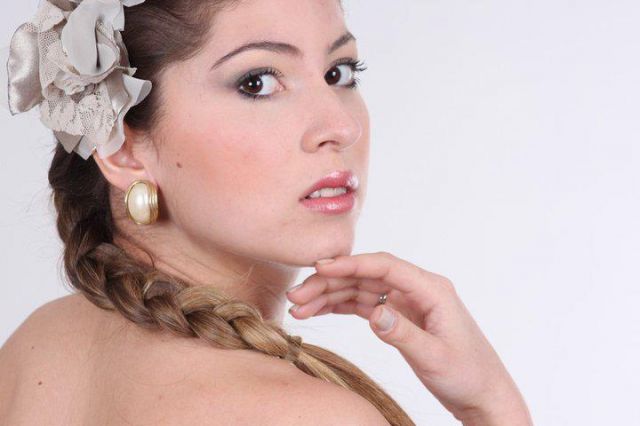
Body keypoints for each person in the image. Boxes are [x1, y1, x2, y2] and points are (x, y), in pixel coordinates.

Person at [0, 0, 533, 424]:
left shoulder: (36, 349)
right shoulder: (311, 416)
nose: (340, 127)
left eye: (339, 72)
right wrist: (491, 407)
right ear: (121, 148)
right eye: (257, 83)